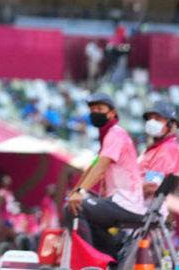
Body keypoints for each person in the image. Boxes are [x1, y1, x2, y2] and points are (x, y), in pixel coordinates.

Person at [63, 93, 145, 258]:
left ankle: (88, 262)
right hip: (119, 201)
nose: (95, 112)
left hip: (126, 203)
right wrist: (76, 191)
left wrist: (80, 193)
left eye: (99, 109)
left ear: (112, 113)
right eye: (92, 109)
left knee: (74, 208)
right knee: (75, 204)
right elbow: (92, 166)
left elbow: (101, 167)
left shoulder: (116, 134)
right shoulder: (108, 136)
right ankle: (113, 254)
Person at [138, 101, 179, 214]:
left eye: (157, 119)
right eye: (150, 118)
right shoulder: (157, 147)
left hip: (142, 210)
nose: (152, 122)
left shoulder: (167, 149)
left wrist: (124, 191)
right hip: (138, 206)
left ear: (171, 125)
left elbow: (151, 186)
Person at [0, 175, 18, 244]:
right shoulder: (1, 193)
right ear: (2, 182)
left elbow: (10, 206)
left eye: (9, 180)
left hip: (10, 219)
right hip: (4, 219)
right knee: (2, 238)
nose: (9, 181)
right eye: (6, 180)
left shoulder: (10, 193)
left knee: (11, 237)